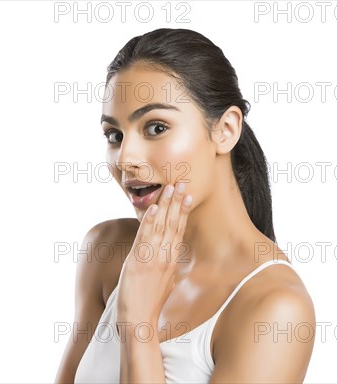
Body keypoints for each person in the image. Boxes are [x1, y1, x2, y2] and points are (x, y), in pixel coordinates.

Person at [55, 28, 316, 383]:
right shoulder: (108, 250)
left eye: (156, 127)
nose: (126, 158)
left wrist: (138, 325)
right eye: (114, 135)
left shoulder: (274, 308)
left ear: (225, 130)